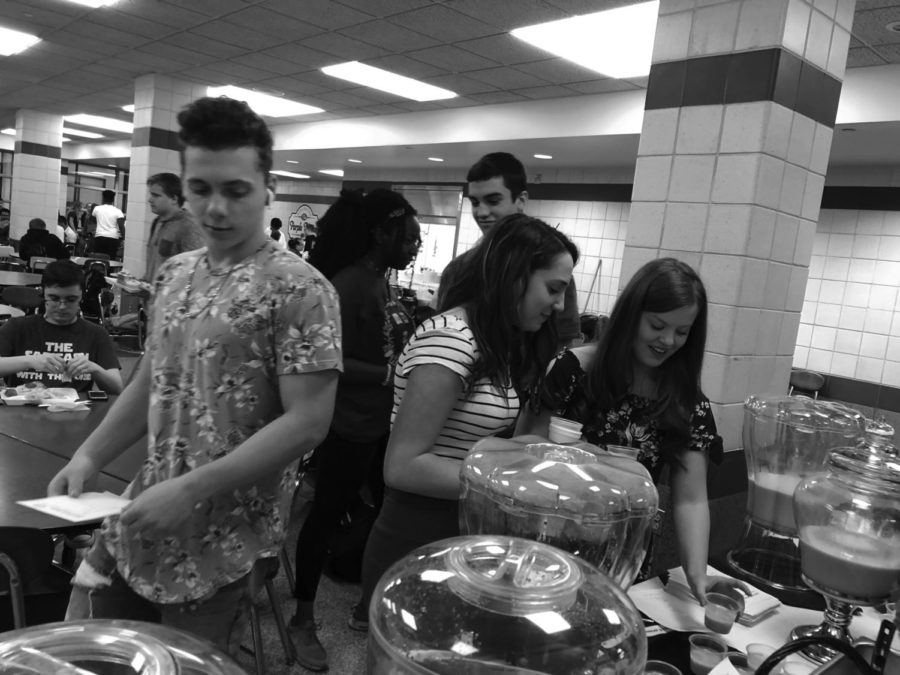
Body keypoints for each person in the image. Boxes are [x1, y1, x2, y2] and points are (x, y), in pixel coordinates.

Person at [47, 96, 342, 653]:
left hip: (221, 530)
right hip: (144, 511)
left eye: (235, 191)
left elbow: (308, 423)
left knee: (181, 661)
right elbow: (151, 381)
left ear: (265, 186)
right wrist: (88, 456)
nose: (216, 209)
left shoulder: (301, 289)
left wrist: (192, 489)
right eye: (201, 189)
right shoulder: (178, 273)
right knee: (107, 652)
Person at [353, 214, 578, 629]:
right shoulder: (453, 338)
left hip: (460, 532)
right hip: (420, 534)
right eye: (553, 289)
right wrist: (510, 484)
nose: (560, 305)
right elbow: (403, 465)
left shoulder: (496, 342)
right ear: (514, 277)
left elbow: (476, 446)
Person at [518, 257, 742, 603]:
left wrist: (699, 575)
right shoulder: (574, 370)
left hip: (624, 557)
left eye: (682, 332)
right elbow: (523, 451)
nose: (667, 340)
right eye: (657, 325)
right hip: (550, 543)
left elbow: (691, 499)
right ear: (630, 316)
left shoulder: (686, 402)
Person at [292, 188, 420, 670]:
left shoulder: (378, 280)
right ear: (380, 233)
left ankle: (370, 605)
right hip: (346, 422)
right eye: (408, 238)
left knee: (387, 513)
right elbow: (326, 357)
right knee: (325, 517)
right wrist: (386, 374)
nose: (413, 248)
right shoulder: (347, 285)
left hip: (380, 419)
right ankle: (303, 619)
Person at [436, 152, 581, 347]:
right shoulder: (459, 270)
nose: (482, 212)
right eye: (475, 203)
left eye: (493, 201)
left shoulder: (551, 267)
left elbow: (564, 343)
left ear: (521, 200)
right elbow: (442, 334)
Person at [0, 260, 122, 394]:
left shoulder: (96, 334)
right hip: (22, 409)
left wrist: (95, 369)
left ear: (81, 297)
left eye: (71, 300)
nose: (62, 306)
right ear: (43, 294)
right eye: (54, 298)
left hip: (74, 410)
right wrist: (29, 361)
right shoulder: (17, 327)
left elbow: (116, 388)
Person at [145, 172, 204, 281]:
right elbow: (153, 264)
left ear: (174, 199)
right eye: (151, 194)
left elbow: (196, 271)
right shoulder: (157, 222)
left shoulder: (189, 226)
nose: (150, 200)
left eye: (156, 195)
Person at [91, 190, 124, 259]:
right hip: (113, 239)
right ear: (113, 199)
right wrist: (124, 238)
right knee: (111, 260)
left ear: (103, 198)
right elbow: (121, 226)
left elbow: (93, 221)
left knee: (98, 259)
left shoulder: (97, 209)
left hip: (99, 237)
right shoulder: (118, 211)